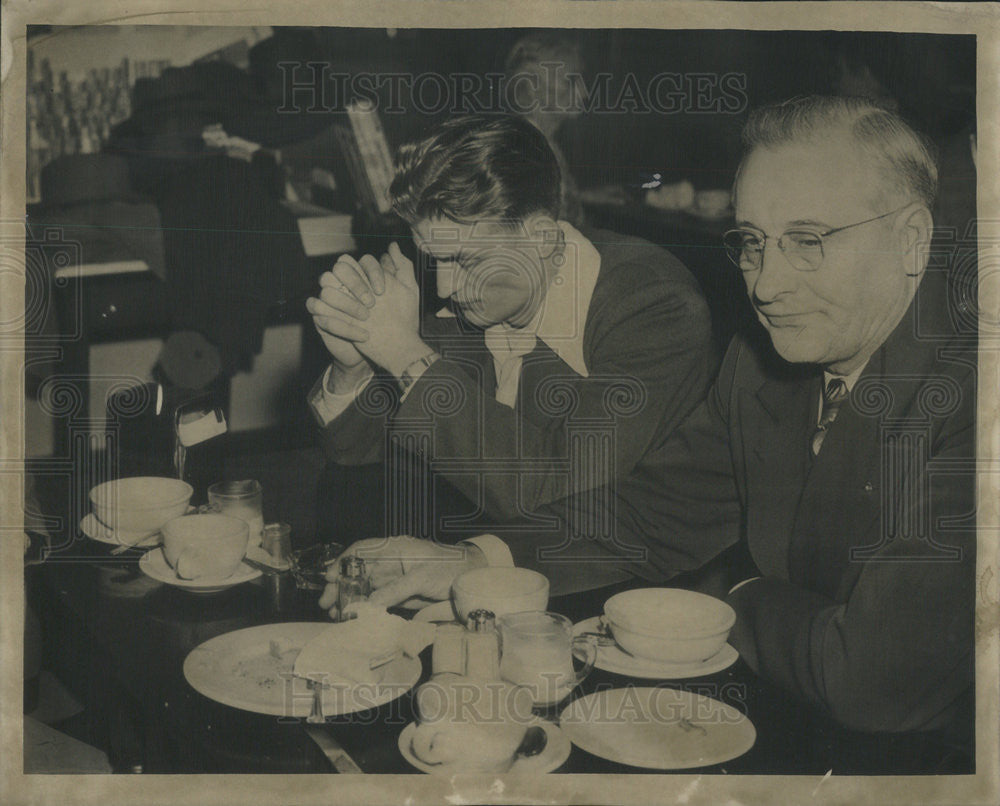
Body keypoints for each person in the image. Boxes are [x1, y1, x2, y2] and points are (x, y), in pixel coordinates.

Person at [321, 97, 976, 740]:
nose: (766, 284)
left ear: (911, 240)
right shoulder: (762, 364)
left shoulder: (977, 398)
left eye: (806, 241)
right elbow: (648, 514)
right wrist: (471, 560)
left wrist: (738, 592)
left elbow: (876, 683)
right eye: (751, 243)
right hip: (787, 713)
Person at [306, 113, 715, 546]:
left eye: (464, 260)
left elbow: (558, 496)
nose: (445, 286)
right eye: (434, 259)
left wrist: (407, 355)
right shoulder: (481, 297)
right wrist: (354, 366)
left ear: (541, 239)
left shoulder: (654, 308)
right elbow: (353, 450)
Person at [503, 32, 589, 226]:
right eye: (571, 81)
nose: (584, 92)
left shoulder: (540, 141)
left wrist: (583, 197)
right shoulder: (528, 153)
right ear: (532, 87)